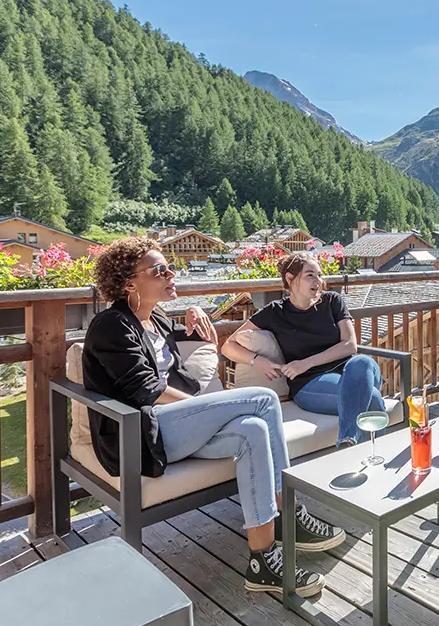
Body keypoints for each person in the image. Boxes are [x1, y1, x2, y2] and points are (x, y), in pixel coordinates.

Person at [82, 237, 343, 597]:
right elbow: (147, 389)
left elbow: (163, 352)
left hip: (174, 426)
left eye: (169, 267)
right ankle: (291, 513)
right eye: (160, 270)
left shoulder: (154, 319)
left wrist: (190, 323)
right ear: (129, 283)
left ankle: (263, 559)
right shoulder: (110, 326)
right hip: (141, 435)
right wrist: (204, 407)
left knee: (252, 430)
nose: (171, 274)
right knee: (264, 400)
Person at [222, 251, 385, 447]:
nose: (318, 281)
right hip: (310, 383)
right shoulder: (275, 312)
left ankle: (347, 441)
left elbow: (350, 345)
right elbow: (228, 346)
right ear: (290, 279)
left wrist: (305, 363)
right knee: (372, 397)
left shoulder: (332, 301)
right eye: (310, 275)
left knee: (363, 361)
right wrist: (257, 360)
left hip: (353, 371)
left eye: (319, 275)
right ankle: (373, 456)